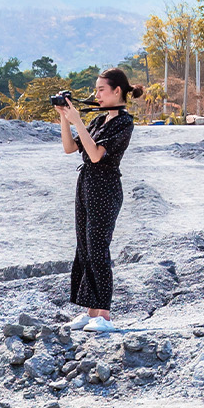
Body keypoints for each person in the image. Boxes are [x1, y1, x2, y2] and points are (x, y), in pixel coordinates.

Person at [58, 68, 144, 328]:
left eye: (101, 90)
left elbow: (96, 155)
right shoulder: (98, 120)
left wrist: (77, 122)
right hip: (85, 184)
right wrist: (64, 117)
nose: (96, 94)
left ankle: (104, 314)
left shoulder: (123, 123)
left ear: (117, 91)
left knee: (98, 247)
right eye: (96, 90)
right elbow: (69, 148)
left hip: (105, 187)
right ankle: (91, 311)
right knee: (84, 247)